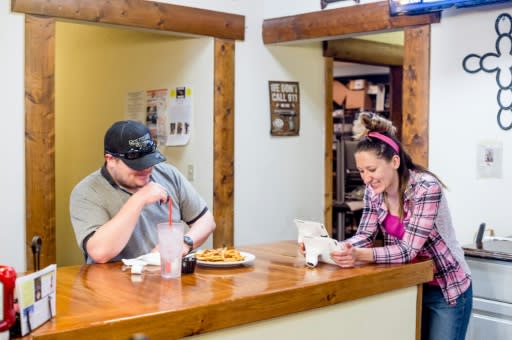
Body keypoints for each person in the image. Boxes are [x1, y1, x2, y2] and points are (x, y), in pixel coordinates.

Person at [331, 112, 472, 340]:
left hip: (446, 288)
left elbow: (408, 250)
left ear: (395, 162)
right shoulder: (373, 191)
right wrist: (335, 248)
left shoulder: (426, 188)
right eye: (361, 171)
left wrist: (360, 255)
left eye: (372, 169)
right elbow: (364, 235)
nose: (366, 178)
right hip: (408, 285)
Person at [70, 120, 216, 264]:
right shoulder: (87, 192)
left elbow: (206, 221)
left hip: (166, 276)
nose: (147, 169)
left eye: (149, 161)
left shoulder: (168, 174)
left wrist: (184, 243)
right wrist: (139, 199)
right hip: (114, 282)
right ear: (111, 159)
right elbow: (100, 252)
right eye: (137, 165)